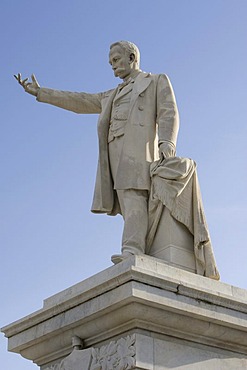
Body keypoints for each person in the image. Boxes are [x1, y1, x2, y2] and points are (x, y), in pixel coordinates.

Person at [15, 40, 179, 264]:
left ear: (132, 58)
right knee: (129, 202)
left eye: (116, 60)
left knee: (134, 197)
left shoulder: (155, 81)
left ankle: (133, 250)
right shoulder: (111, 94)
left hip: (138, 151)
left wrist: (167, 143)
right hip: (114, 154)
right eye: (110, 62)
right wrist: (42, 93)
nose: (112, 66)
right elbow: (80, 101)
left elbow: (169, 112)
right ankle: (139, 247)